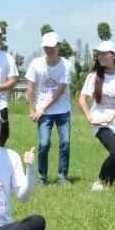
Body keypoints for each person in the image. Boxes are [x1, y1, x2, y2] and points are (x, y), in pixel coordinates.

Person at [78, 41, 115, 191]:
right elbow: (82, 99)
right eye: (99, 54)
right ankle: (99, 182)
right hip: (100, 122)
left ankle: (109, 184)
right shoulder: (93, 77)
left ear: (114, 55)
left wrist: (114, 115)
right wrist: (90, 118)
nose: (100, 56)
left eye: (104, 53)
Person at [25, 31, 72, 185]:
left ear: (59, 46)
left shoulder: (66, 65)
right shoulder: (36, 64)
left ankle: (62, 176)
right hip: (42, 112)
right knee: (44, 144)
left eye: (52, 46)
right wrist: (32, 110)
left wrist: (41, 109)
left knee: (65, 143)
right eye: (46, 47)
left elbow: (59, 92)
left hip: (62, 110)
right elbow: (30, 89)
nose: (49, 50)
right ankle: (42, 177)